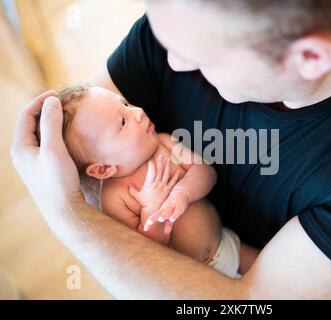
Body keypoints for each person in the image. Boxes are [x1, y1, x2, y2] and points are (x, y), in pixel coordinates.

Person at [11, 0, 331, 299]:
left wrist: (64, 212)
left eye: (200, 56)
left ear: (310, 57)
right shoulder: (179, 29)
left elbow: (249, 303)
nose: (175, 62)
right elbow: (83, 154)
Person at [34, 85, 257, 278]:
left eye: (126, 105)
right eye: (122, 122)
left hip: (228, 244)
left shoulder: (164, 143)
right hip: (195, 276)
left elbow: (206, 172)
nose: (138, 113)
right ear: (103, 169)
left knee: (274, 282)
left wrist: (183, 193)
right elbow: (146, 252)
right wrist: (152, 208)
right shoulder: (115, 198)